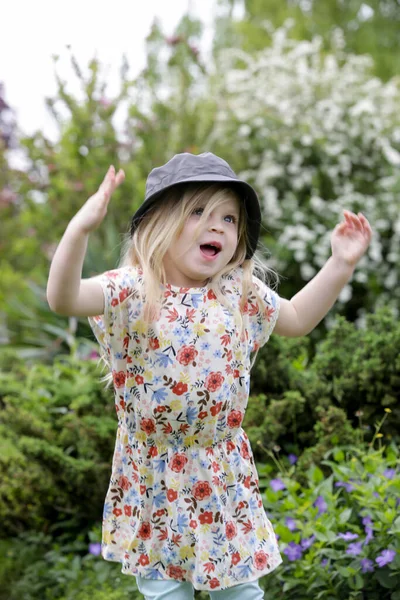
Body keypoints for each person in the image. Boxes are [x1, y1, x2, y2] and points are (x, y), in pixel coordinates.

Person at [47, 152, 372, 599]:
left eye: (229, 218)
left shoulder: (236, 290)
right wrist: (79, 230)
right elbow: (63, 299)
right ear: (159, 224)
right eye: (198, 212)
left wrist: (341, 264)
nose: (217, 225)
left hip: (222, 472)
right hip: (154, 477)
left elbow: (296, 318)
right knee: (166, 593)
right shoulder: (133, 290)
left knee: (240, 592)